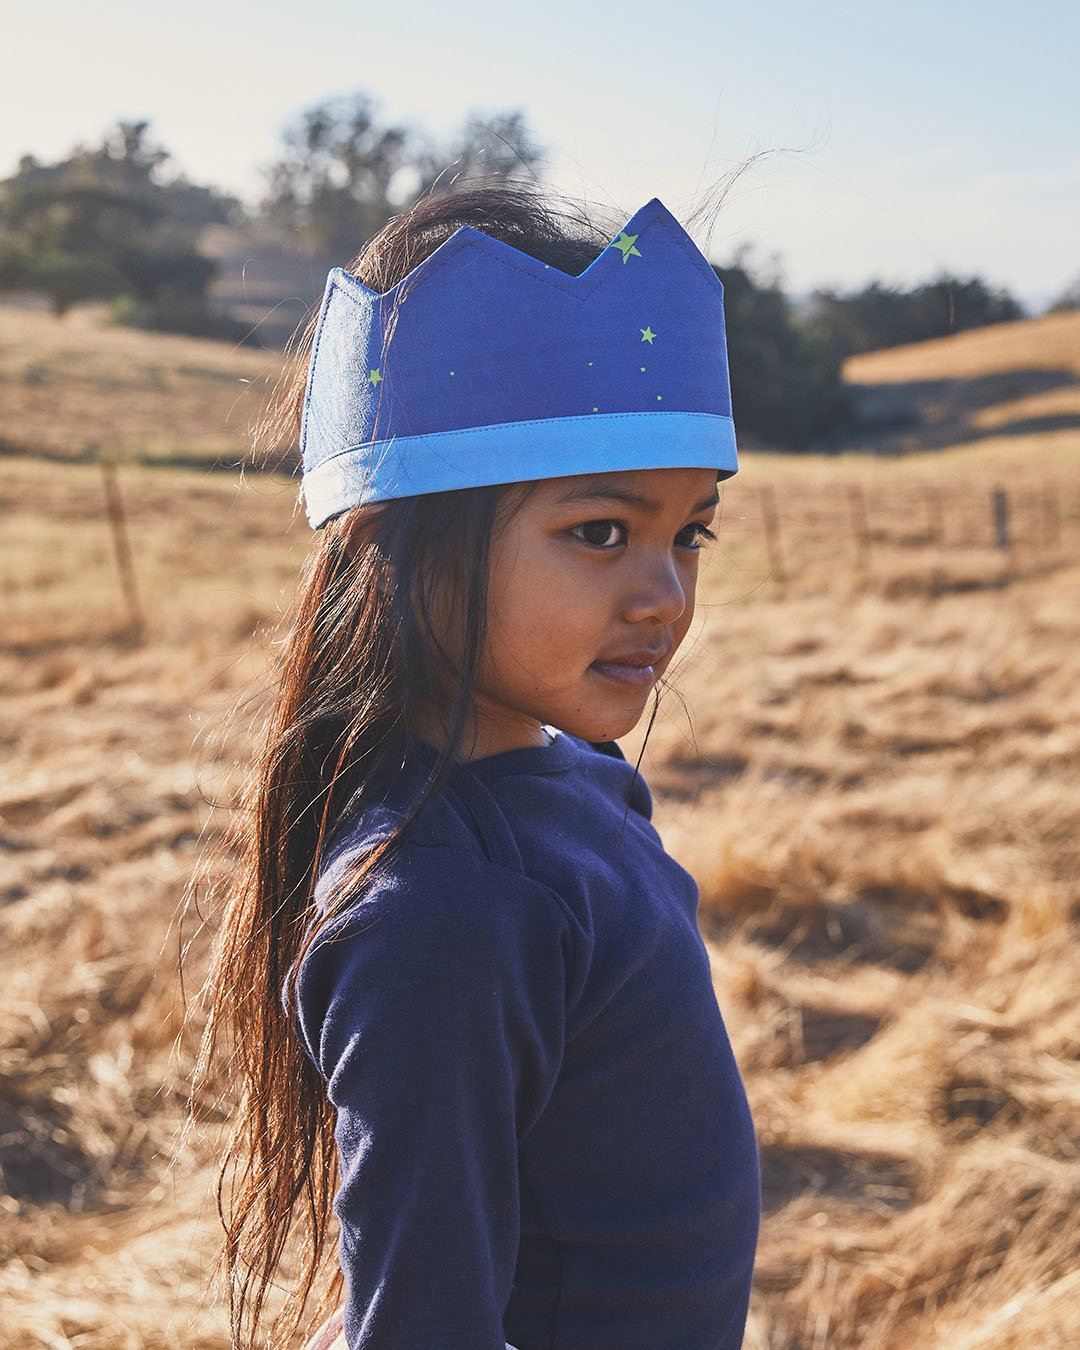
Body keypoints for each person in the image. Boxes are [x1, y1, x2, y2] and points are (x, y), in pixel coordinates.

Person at [199, 182, 760, 1349]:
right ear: (395, 538)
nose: (664, 595)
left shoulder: (579, 785)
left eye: (687, 531)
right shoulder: (440, 913)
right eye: (600, 532)